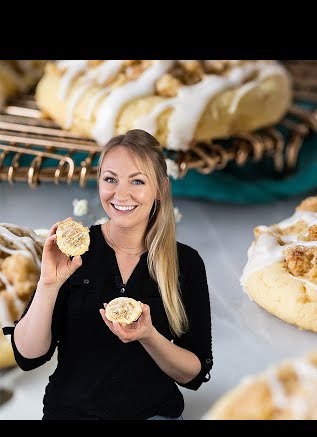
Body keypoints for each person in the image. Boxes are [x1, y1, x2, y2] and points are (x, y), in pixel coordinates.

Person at [10, 129, 212, 420]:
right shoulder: (74, 252)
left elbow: (193, 373)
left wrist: (148, 336)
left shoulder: (186, 262)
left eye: (137, 181)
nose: (121, 194)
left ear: (161, 188)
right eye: (110, 179)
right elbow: (28, 357)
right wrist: (49, 284)